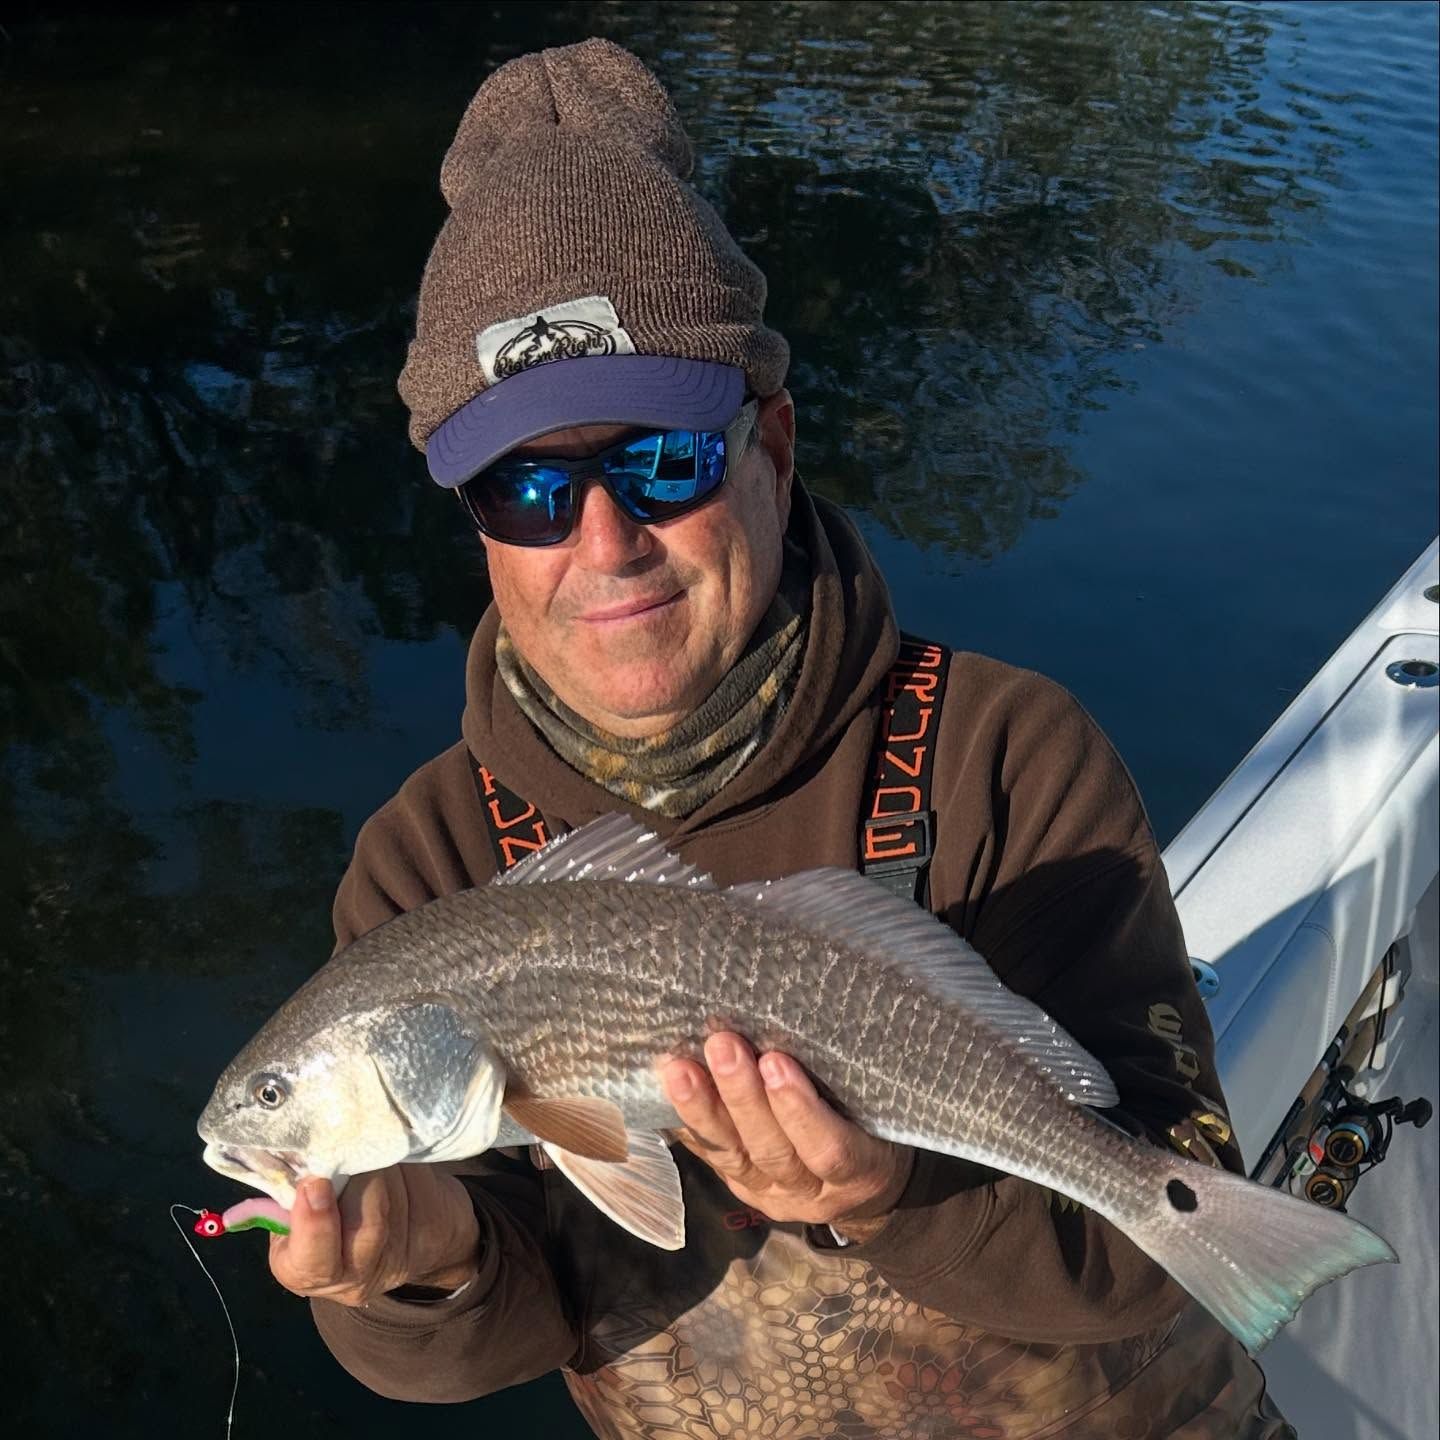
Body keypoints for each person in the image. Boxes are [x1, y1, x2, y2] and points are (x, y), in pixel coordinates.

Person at [266, 37, 1294, 1439]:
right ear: (473, 521)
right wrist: (416, 1264)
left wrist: (896, 1192)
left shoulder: (1003, 755)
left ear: (777, 444)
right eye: (526, 489)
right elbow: (516, 1314)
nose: (606, 541)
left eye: (664, 460)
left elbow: (1156, 1238)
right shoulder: (431, 863)